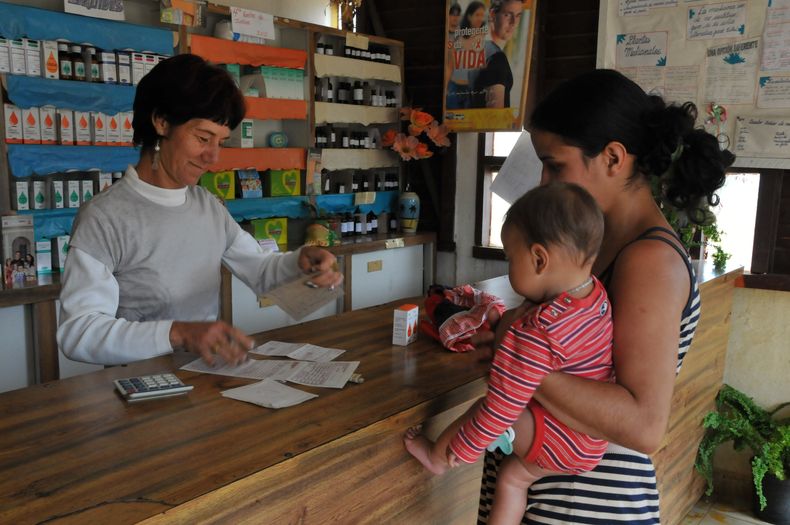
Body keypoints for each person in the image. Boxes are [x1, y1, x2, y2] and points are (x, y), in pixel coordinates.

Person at [476, 69, 735, 523]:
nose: (542, 182)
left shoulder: (647, 259)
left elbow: (643, 425)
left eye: (555, 165)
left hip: (586, 507)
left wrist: (517, 360)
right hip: (548, 496)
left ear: (613, 158)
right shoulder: (590, 243)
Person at [57, 54, 342, 367]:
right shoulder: (105, 217)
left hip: (203, 380)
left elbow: (260, 271)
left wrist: (299, 265)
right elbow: (78, 333)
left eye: (221, 142)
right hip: (137, 391)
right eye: (203, 138)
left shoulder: (208, 206)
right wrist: (178, 333)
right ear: (161, 121)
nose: (213, 157)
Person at [405, 182, 614, 524]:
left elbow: (501, 408)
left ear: (538, 258)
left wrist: (462, 450)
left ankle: (436, 458)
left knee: (487, 411)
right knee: (513, 478)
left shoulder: (537, 331)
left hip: (560, 436)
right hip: (591, 438)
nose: (508, 264)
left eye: (509, 256)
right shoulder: (593, 296)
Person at [471, 0, 523, 108]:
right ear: (492, 15)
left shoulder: (477, 52)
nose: (514, 22)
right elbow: (495, 117)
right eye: (507, 15)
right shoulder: (497, 59)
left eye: (518, 16)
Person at [446, 1, 488, 110]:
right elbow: (450, 65)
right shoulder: (457, 35)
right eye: (477, 15)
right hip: (454, 88)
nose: (480, 18)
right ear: (469, 16)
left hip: (473, 90)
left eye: (482, 15)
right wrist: (445, 88)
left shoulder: (485, 36)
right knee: (452, 123)